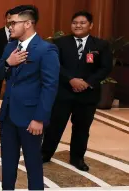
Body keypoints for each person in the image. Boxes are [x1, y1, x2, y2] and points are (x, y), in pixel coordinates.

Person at [0, 5, 59, 190]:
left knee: (33, 164)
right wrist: (8, 63)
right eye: (9, 23)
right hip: (8, 116)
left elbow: (50, 87)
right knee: (7, 163)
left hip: (31, 119)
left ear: (28, 23)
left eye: (13, 23)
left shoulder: (47, 50)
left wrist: (39, 118)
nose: (10, 27)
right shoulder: (10, 47)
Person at [41, 11, 113, 171]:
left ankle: (77, 158)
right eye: (75, 22)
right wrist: (71, 79)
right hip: (64, 92)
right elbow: (54, 64)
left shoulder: (101, 45)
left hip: (87, 95)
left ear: (91, 25)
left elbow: (106, 67)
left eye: (82, 23)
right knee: (54, 126)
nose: (78, 25)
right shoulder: (59, 42)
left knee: (82, 128)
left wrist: (87, 82)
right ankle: (45, 154)